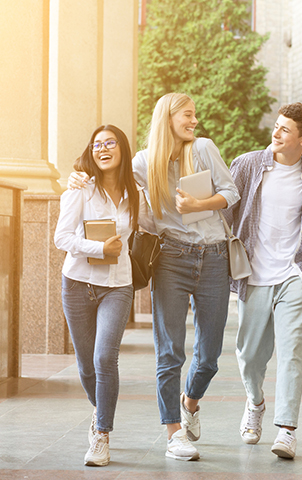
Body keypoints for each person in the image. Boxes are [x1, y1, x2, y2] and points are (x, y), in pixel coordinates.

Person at [68, 92, 240, 461]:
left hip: (213, 256)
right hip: (172, 258)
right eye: (188, 115)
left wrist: (200, 204)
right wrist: (77, 175)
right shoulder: (143, 162)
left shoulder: (205, 149)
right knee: (170, 351)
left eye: (195, 115)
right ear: (168, 118)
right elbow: (106, 171)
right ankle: (173, 432)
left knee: (209, 355)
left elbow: (231, 191)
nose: (194, 121)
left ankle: (190, 401)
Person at [224, 103, 302, 459]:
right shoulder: (249, 164)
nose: (277, 133)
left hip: (294, 274)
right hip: (253, 274)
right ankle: (255, 402)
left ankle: (287, 430)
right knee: (250, 354)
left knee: (292, 353)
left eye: (286, 130)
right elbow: (225, 211)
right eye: (277, 126)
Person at [55, 125, 154, 466]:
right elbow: (61, 237)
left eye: (110, 142)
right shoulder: (80, 188)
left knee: (103, 359)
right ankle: (99, 409)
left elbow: (152, 224)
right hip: (78, 283)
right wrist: (96, 247)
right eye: (96, 144)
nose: (102, 148)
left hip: (118, 285)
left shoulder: (135, 192)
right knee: (85, 366)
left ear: (122, 150)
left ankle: (102, 433)